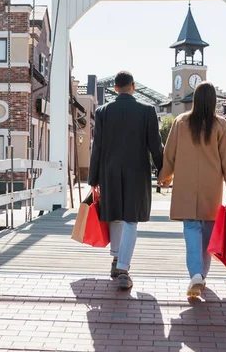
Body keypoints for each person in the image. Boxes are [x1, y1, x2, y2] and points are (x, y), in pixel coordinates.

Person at [158, 81, 226, 298]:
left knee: (191, 231)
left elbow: (170, 153)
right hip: (211, 188)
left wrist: (164, 176)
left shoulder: (181, 122)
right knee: (207, 237)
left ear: (194, 99)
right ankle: (201, 275)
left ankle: (195, 275)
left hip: (186, 187)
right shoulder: (220, 125)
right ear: (213, 101)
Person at [88, 71, 164, 290]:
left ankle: (115, 259)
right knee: (131, 220)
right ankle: (123, 267)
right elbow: (155, 146)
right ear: (133, 86)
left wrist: (93, 177)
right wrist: (163, 171)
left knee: (115, 216)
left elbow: (97, 147)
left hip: (108, 172)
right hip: (136, 173)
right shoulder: (147, 111)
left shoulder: (103, 112)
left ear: (114, 88)